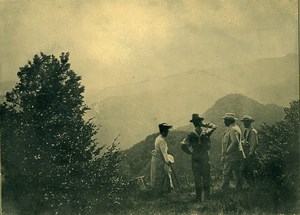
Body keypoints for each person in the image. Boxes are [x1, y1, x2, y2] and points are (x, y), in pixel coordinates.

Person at [181, 114, 217, 202]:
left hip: (195, 157)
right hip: (205, 156)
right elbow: (214, 126)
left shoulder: (190, 134)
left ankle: (198, 198)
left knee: (197, 178)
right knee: (206, 177)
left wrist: (189, 152)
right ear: (200, 122)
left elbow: (183, 144)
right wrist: (204, 124)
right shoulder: (206, 132)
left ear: (193, 123)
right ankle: (207, 197)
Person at [221, 113, 243, 191]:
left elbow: (235, 142)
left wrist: (227, 151)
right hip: (236, 155)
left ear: (229, 121)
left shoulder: (233, 129)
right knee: (237, 172)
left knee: (226, 172)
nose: (224, 122)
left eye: (225, 120)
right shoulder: (235, 128)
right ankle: (239, 189)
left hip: (231, 156)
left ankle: (224, 190)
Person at [150, 123, 174, 195]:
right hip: (160, 161)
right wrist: (168, 161)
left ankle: (157, 192)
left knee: (156, 176)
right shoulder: (162, 141)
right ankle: (164, 192)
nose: (167, 133)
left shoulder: (157, 138)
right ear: (164, 131)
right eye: (166, 131)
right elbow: (164, 153)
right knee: (162, 175)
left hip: (155, 160)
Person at [240, 115, 258, 187]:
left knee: (248, 171)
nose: (244, 124)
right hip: (246, 153)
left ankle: (252, 186)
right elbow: (245, 140)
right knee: (245, 170)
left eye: (246, 122)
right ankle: (251, 186)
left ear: (249, 122)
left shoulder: (253, 131)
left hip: (250, 154)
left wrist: (250, 154)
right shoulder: (246, 130)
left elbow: (254, 144)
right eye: (244, 122)